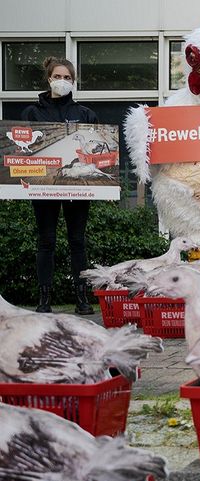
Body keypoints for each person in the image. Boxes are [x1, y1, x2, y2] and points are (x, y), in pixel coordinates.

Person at [21, 56, 99, 314]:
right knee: (46, 241)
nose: (62, 82)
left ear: (73, 81)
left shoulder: (85, 114)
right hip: (44, 186)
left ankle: (82, 298)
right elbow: (23, 153)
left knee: (77, 240)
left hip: (77, 185)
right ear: (48, 79)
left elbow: (97, 150)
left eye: (67, 78)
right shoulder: (32, 113)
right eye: (58, 77)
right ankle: (44, 300)